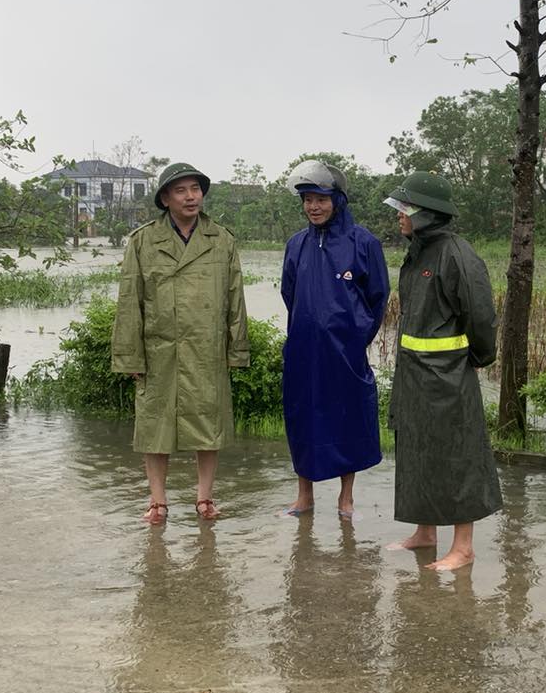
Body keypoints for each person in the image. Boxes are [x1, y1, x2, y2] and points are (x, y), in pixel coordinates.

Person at [111, 162, 250, 525]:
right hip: (160, 350)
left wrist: (236, 350)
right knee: (155, 427)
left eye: (196, 189)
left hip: (207, 348)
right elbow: (130, 301)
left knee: (209, 424)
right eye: (181, 191)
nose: (191, 197)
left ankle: (204, 498)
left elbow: (235, 299)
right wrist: (130, 356)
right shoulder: (142, 241)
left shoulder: (221, 239)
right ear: (165, 199)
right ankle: (157, 502)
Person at [384, 172, 501, 571]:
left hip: (448, 378)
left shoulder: (457, 255)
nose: (399, 216)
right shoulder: (418, 251)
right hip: (414, 375)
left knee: (456, 456)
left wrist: (476, 360)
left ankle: (463, 547)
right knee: (418, 451)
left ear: (426, 214)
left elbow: (481, 319)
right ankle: (425, 532)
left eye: (405, 208)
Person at [279, 160, 389, 518]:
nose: (313, 206)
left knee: (348, 418)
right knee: (302, 418)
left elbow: (377, 298)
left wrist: (355, 337)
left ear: (337, 200)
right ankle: (304, 495)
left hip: (345, 353)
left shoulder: (363, 242)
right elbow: (289, 293)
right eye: (308, 199)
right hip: (303, 352)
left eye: (321, 199)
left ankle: (346, 497)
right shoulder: (296, 245)